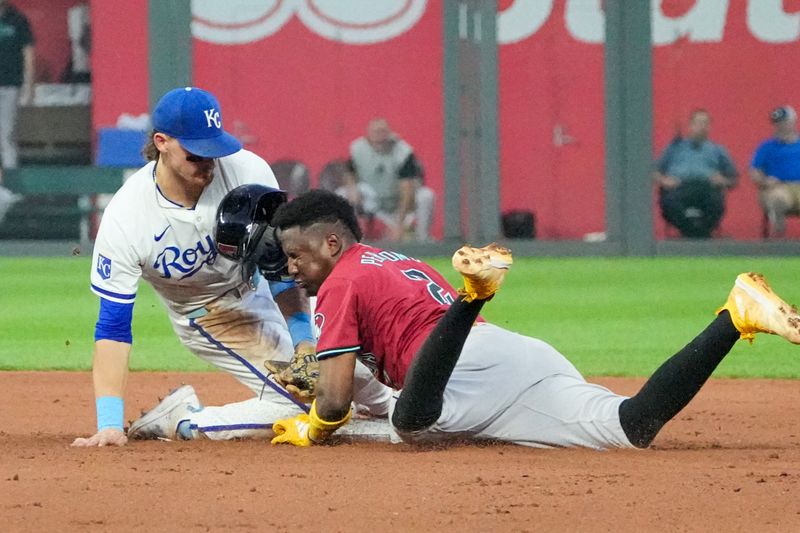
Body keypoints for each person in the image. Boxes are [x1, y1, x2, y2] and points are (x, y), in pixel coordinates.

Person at [264, 189, 800, 449]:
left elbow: (333, 403)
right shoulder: (393, 259)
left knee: (410, 422)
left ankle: (473, 295)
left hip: (457, 368)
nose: (291, 268)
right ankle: (736, 316)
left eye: (296, 255)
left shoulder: (341, 280)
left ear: (332, 243)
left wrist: (314, 428)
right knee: (633, 426)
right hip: (514, 356)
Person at [71, 87, 390, 448]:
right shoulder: (127, 217)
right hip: (212, 314)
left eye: (214, 149)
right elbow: (113, 325)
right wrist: (110, 423)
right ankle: (183, 419)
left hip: (262, 287)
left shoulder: (246, 169)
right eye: (196, 154)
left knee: (352, 368)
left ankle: (391, 411)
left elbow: (277, 262)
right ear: (161, 142)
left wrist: (304, 341)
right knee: (303, 405)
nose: (209, 162)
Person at [654, 109, 738, 238]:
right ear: (690, 126)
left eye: (705, 123)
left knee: (716, 203)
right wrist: (664, 180)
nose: (702, 127)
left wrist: (723, 181)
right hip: (679, 187)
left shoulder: (717, 150)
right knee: (670, 203)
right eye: (698, 123)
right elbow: (654, 171)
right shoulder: (675, 147)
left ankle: (699, 233)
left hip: (706, 187)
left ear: (710, 127)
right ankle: (692, 232)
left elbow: (734, 179)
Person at [348, 118, 434, 241]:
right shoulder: (357, 148)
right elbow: (349, 173)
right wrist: (352, 188)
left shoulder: (403, 152)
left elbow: (407, 189)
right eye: (375, 132)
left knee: (426, 195)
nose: (379, 137)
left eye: (382, 132)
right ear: (368, 135)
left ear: (389, 134)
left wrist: (399, 223)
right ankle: (352, 242)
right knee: (342, 194)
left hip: (402, 204)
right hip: (375, 202)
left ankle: (423, 239)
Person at [0, 0, 34, 221]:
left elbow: (28, 53)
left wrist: (30, 85)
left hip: (10, 84)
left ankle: (9, 185)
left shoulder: (18, 20)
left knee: (6, 135)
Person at [751, 105, 800, 238]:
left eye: (784, 123)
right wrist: (765, 181)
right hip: (780, 187)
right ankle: (779, 241)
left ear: (793, 122)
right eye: (777, 124)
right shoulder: (766, 147)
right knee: (778, 200)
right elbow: (755, 172)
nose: (780, 127)